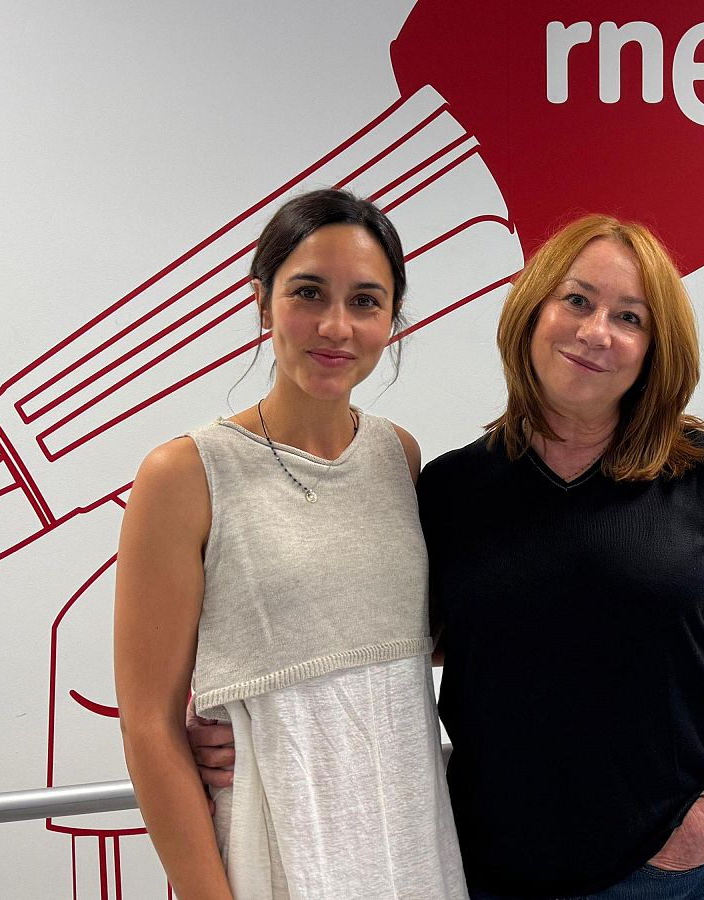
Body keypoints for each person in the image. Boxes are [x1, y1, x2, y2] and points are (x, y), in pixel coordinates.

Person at [193, 214, 704, 899]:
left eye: (629, 317)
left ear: (654, 348)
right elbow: (388, 641)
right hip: (492, 875)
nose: (595, 332)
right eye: (577, 300)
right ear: (534, 310)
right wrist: (261, 727)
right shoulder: (450, 490)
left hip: (677, 877)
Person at [115, 188, 467, 900]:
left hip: (409, 840)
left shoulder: (398, 457)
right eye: (308, 292)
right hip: (275, 850)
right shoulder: (184, 474)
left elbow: (386, 635)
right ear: (261, 300)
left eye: (366, 301)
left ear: (392, 321)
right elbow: (149, 724)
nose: (335, 326)